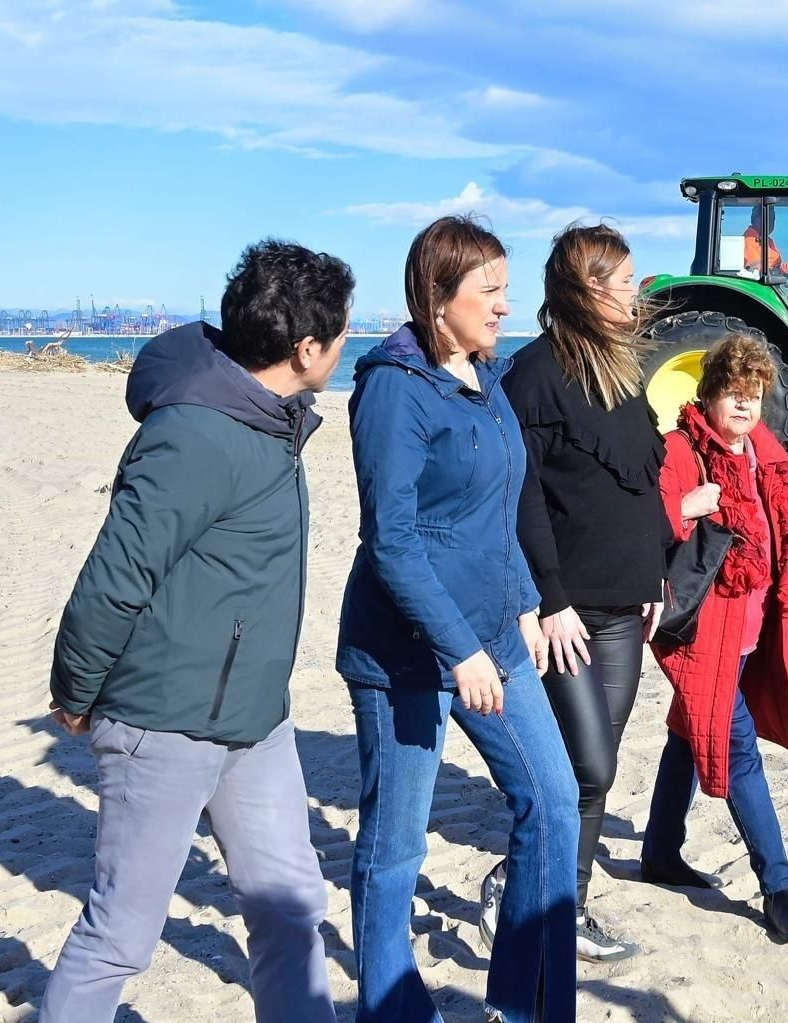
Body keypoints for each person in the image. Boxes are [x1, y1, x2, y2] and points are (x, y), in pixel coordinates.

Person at [42, 240, 354, 1022]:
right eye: (343, 328)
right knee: (120, 934)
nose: (348, 340)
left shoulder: (270, 418)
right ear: (305, 347)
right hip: (163, 722)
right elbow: (114, 576)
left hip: (254, 718)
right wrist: (75, 691)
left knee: (291, 909)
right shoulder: (196, 431)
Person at [335, 216, 577, 1023]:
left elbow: (495, 512)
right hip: (404, 653)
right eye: (490, 290)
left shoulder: (488, 377)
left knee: (553, 801)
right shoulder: (393, 388)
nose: (506, 304)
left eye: (507, 288)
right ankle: (392, 1010)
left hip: (496, 634)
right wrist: (459, 647)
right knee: (395, 847)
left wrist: (526, 602)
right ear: (438, 297)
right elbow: (393, 539)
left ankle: (527, 1004)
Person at [495, 223, 671, 963]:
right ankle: (531, 890)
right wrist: (548, 599)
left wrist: (656, 569)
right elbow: (521, 494)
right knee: (587, 765)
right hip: (565, 608)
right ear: (587, 288)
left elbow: (641, 481)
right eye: (624, 281)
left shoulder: (622, 369)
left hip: (625, 602)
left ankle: (566, 904)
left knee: (594, 772)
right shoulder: (534, 374)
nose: (636, 293)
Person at [640, 334, 788, 943]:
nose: (743, 404)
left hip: (752, 632)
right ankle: (780, 890)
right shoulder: (681, 449)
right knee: (736, 746)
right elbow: (641, 525)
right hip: (701, 632)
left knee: (688, 731)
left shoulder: (764, 454)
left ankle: (659, 851)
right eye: (732, 392)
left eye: (753, 394)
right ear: (709, 393)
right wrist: (688, 507)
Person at [743, 205, 788, 275]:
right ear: (755, 219)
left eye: (772, 219)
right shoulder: (749, 239)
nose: (770, 222)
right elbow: (756, 268)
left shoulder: (768, 241)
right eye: (767, 218)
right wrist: (780, 270)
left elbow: (774, 266)